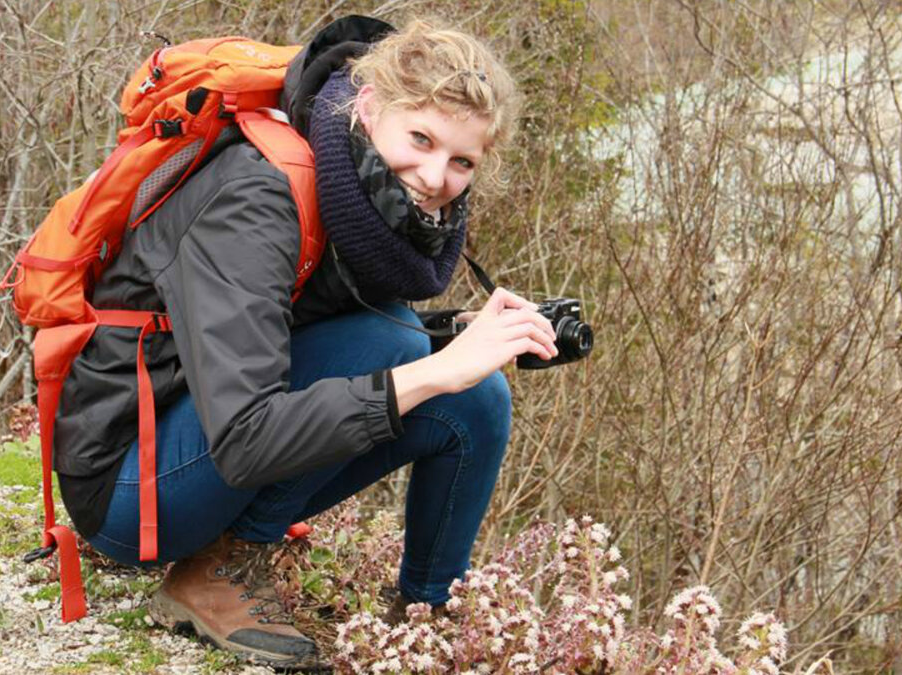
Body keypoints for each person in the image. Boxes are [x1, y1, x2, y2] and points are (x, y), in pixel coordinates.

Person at [52, 15, 558, 668]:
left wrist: (458, 341)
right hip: (129, 486)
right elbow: (246, 434)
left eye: (462, 160)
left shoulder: (357, 196)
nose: (436, 177)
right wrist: (433, 365)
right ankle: (217, 573)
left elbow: (304, 326)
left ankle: (427, 619)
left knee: (478, 396)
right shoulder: (258, 196)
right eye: (421, 139)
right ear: (370, 107)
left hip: (199, 437)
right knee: (409, 350)